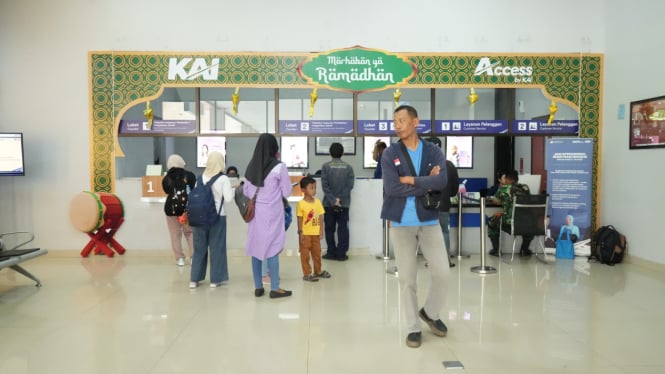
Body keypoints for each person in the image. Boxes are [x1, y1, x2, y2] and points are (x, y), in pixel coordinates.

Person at [381, 105, 450, 348]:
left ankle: (430, 312)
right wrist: (426, 183)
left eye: (401, 120)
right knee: (407, 279)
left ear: (415, 122)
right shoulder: (390, 154)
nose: (397, 125)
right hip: (401, 222)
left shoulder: (432, 151)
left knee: (443, 273)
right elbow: (392, 188)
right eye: (395, 121)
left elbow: (441, 180)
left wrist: (411, 179)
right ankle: (413, 327)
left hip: (429, 220)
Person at [244, 133, 293, 299]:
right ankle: (275, 288)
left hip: (256, 214)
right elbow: (286, 191)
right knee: (273, 248)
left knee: (256, 248)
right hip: (272, 213)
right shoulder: (279, 167)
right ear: (274, 148)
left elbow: (246, 191)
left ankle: (258, 287)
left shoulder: (250, 166)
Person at [189, 151, 234, 289]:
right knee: (217, 248)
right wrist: (232, 189)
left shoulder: (199, 178)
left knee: (199, 249)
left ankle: (194, 280)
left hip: (199, 218)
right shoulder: (223, 179)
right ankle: (215, 280)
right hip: (217, 218)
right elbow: (228, 199)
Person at [424, 137, 460, 266]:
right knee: (444, 231)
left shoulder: (424, 166)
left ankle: (431, 261)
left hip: (428, 206)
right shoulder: (449, 165)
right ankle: (445, 260)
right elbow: (455, 189)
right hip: (444, 205)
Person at [321, 142, 355, 261]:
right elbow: (349, 186)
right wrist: (339, 199)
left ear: (330, 153)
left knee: (329, 228)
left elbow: (325, 186)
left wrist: (333, 200)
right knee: (343, 228)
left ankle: (331, 252)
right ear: (343, 153)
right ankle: (341, 254)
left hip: (328, 204)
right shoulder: (348, 167)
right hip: (344, 204)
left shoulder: (325, 167)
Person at [487, 170, 532, 257]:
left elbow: (496, 201)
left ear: (506, 179)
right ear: (517, 178)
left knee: (492, 221)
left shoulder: (503, 188)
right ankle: (524, 249)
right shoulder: (525, 188)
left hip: (509, 222)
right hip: (525, 222)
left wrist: (503, 201)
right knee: (530, 223)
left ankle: (496, 250)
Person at [162, 154, 196, 267]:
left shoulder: (166, 178)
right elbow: (193, 189)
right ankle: (193, 258)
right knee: (190, 233)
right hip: (186, 209)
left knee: (175, 234)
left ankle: (180, 259)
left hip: (171, 210)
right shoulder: (190, 175)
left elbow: (167, 191)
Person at [296, 176, 330, 282]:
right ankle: (307, 273)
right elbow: (300, 219)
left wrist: (321, 231)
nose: (314, 190)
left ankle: (318, 271)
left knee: (317, 253)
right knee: (305, 255)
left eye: (315, 187)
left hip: (315, 234)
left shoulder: (318, 202)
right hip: (305, 234)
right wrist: (300, 232)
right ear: (303, 190)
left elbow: (320, 217)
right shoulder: (301, 204)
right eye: (311, 188)